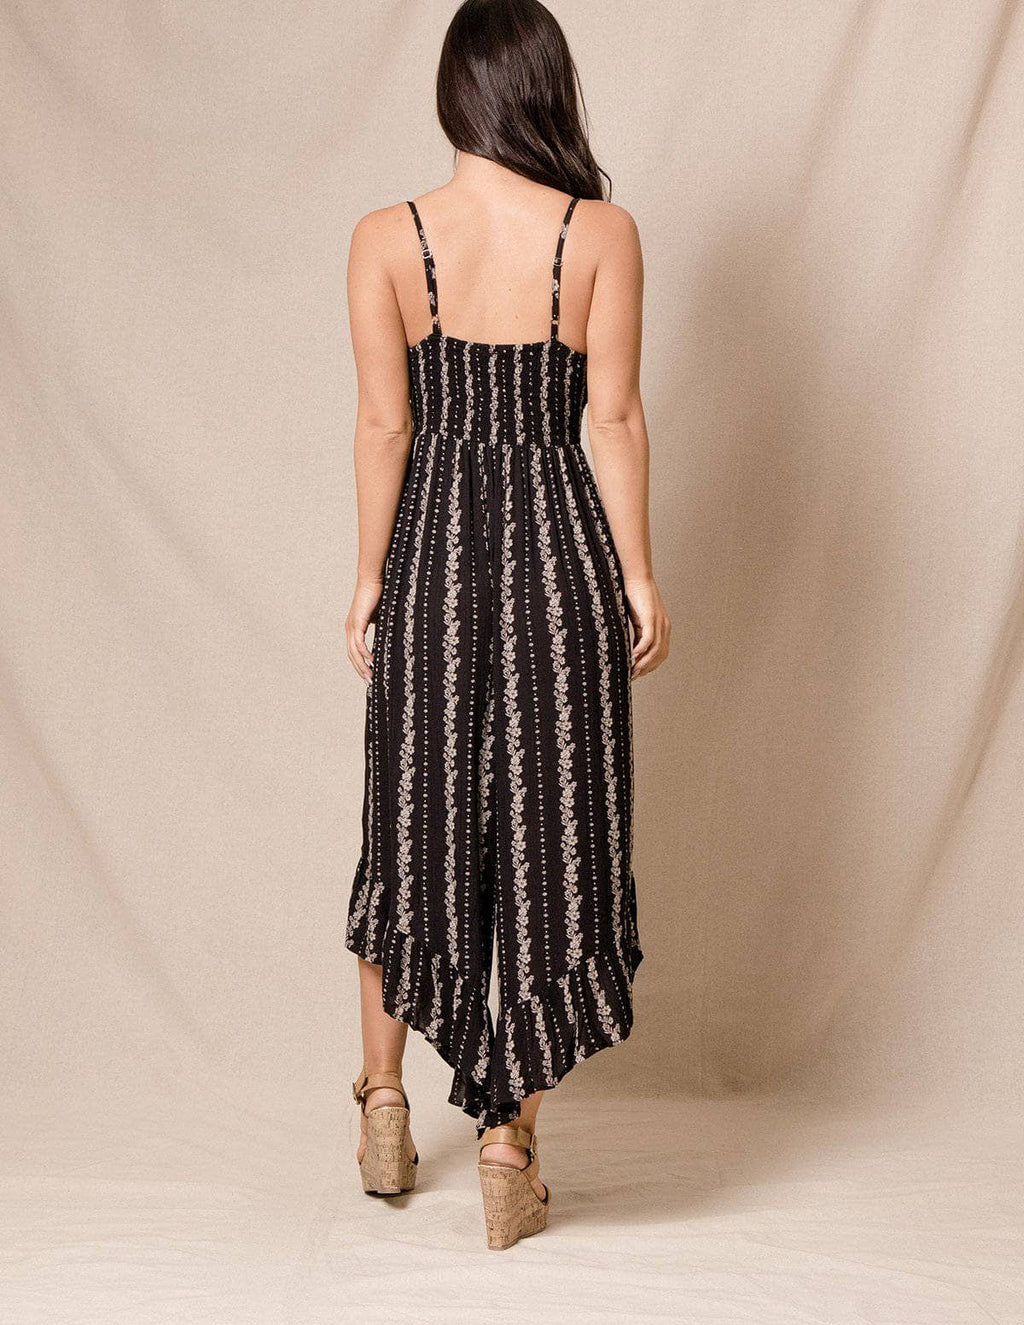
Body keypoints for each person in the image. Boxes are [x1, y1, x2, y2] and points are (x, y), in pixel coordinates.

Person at [343, 0, 670, 1249]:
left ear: (453, 95)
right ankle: (506, 1143)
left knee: (410, 822)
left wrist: (368, 577)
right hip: (557, 559)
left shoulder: (385, 238)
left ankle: (383, 1104)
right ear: (546, 89)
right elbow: (614, 417)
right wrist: (637, 575)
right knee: (547, 839)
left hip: (431, 556)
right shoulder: (601, 234)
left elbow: (387, 426)